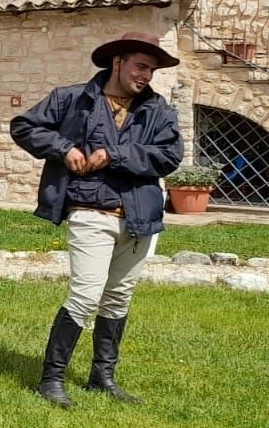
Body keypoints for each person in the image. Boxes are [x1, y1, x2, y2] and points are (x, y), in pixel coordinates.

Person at [10, 30, 184, 408]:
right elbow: (24, 126)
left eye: (152, 70)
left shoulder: (158, 110)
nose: (146, 76)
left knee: (118, 297)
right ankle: (52, 379)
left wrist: (115, 155)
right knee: (86, 295)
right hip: (89, 214)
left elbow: (169, 156)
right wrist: (62, 148)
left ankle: (102, 378)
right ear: (117, 62)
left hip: (138, 219)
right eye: (141, 66)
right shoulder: (71, 99)